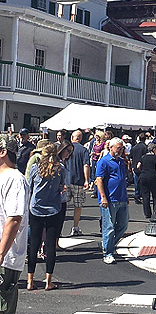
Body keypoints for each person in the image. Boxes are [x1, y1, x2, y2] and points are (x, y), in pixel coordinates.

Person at [26, 143, 65, 291]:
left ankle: (30, 280)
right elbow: (62, 186)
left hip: (36, 207)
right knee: (50, 245)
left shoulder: (36, 168)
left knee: (34, 243)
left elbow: (30, 187)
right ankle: (49, 281)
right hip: (53, 208)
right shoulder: (60, 169)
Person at [0, 134, 29, 313]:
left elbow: (14, 218)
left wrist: (1, 253)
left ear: (3, 152)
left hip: (5, 260)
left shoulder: (15, 179)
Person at [95, 137, 129, 264]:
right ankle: (108, 253)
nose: (120, 150)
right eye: (118, 148)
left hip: (121, 198)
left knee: (123, 225)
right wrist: (103, 197)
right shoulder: (104, 162)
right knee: (109, 226)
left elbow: (122, 180)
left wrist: (125, 195)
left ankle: (108, 244)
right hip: (110, 199)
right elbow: (99, 180)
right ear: (111, 147)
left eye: (122, 148)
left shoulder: (121, 161)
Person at [65, 129, 90, 236]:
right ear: (80, 139)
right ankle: (75, 227)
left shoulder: (66, 149)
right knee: (77, 205)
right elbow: (86, 165)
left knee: (63, 205)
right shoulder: (83, 150)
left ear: (72, 137)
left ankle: (59, 228)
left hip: (66, 180)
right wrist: (87, 180)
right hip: (78, 181)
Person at [137, 143, 156, 219]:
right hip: (153, 176)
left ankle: (147, 213)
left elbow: (138, 166)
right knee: (155, 195)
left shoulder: (143, 157)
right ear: (154, 149)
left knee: (145, 196)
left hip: (143, 176)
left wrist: (142, 170)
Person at [129, 133, 147, 204]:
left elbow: (130, 158)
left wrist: (132, 166)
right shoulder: (145, 147)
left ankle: (137, 195)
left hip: (135, 166)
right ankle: (141, 195)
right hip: (143, 167)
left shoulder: (134, 147)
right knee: (142, 183)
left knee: (136, 182)